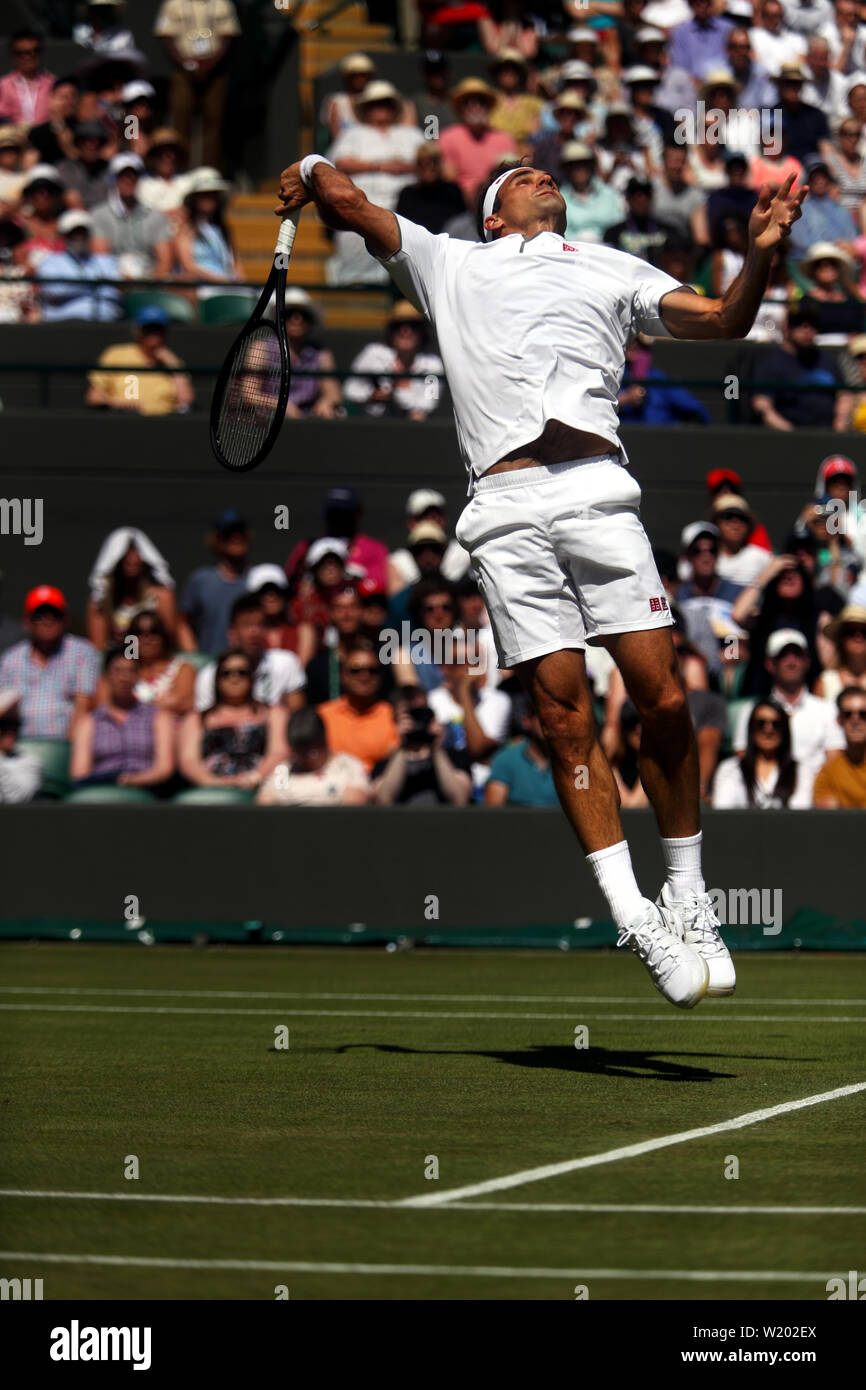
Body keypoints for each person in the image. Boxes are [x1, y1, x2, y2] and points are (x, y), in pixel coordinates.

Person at [277, 150, 808, 1009]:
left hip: (598, 490)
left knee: (664, 699)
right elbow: (349, 201)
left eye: (548, 173)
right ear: (491, 214)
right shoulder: (449, 260)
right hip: (503, 505)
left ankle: (688, 893)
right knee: (565, 719)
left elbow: (722, 322)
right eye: (521, 176)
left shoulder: (612, 265)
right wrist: (311, 165)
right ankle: (633, 914)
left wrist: (762, 254)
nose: (542, 175)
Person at [325, 80, 424, 285]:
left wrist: (406, 167)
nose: (381, 108)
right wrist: (381, 166)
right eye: (375, 104)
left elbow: (429, 162)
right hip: (364, 206)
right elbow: (341, 163)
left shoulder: (412, 134)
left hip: (406, 209)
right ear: (366, 108)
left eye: (386, 103)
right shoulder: (353, 134)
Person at [732, 627, 846, 792]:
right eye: (783, 655)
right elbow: (744, 760)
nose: (791, 661)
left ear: (807, 661)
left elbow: (835, 763)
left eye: (797, 655)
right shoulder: (751, 711)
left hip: (813, 800)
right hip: (763, 798)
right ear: (770, 664)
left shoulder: (827, 710)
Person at [179, 649, 287, 792]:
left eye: (242, 672)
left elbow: (279, 753)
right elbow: (189, 761)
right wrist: (212, 783)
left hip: (261, 787)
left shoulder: (274, 713)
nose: (234, 678)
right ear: (217, 679)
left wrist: (255, 778)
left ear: (252, 677)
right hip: (211, 790)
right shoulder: (196, 718)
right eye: (226, 673)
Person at [0, 585, 100, 738]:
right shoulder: (10, 659)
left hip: (66, 746)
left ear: (65, 618)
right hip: (20, 748)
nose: (48, 620)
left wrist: (65, 752)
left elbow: (84, 706)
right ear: (27, 621)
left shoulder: (82, 652)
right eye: (39, 615)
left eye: (55, 614)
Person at [70, 646, 175, 789]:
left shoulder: (157, 716)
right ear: (107, 676)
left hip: (147, 790)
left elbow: (164, 768)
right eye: (118, 671)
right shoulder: (90, 722)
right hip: (103, 789)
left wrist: (131, 781)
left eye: (130, 671)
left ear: (138, 676)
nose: (124, 677)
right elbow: (80, 773)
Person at [154, 0, 240, 170]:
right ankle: (180, 171)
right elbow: (166, 36)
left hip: (215, 69)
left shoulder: (223, 4)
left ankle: (209, 171)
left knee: (213, 122)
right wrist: (186, 63)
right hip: (182, 69)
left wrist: (209, 65)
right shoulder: (173, 4)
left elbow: (228, 36)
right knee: (180, 118)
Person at [194, 593, 306, 713]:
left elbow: (298, 717)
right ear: (232, 633)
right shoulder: (208, 676)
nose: (255, 632)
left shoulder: (286, 663)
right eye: (247, 625)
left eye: (261, 624)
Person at [750, 302, 845, 430]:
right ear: (787, 328)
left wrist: (840, 421)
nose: (807, 329)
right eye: (799, 323)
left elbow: (844, 395)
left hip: (828, 434)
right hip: (787, 437)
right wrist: (790, 432)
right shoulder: (771, 363)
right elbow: (762, 404)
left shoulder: (827, 360)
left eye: (812, 324)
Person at [344, 299, 444, 419]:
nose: (405, 331)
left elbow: (429, 403)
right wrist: (371, 395)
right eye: (398, 326)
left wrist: (398, 393)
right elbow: (349, 388)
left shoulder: (433, 365)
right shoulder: (373, 354)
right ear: (391, 331)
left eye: (413, 326)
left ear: (422, 332)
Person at [372, 685, 471, 804]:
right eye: (411, 715)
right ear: (396, 720)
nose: (416, 721)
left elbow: (459, 799)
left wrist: (436, 748)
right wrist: (403, 746)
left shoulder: (454, 757)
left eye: (421, 713)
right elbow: (384, 800)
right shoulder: (386, 763)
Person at [86, 305, 194, 414]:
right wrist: (118, 404)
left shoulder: (173, 361)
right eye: (148, 330)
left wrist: (174, 367)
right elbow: (94, 397)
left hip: (162, 424)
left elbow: (185, 402)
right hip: (123, 420)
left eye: (158, 330)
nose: (153, 335)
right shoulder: (115, 354)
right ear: (137, 331)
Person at [257, 706, 369, 806]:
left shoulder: (349, 768)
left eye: (312, 752)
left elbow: (354, 806)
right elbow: (265, 803)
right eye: (300, 753)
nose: (307, 758)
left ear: (324, 741)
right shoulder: (284, 771)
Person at [712, 699, 813, 807]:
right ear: (752, 729)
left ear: (784, 730)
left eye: (776, 724)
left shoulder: (801, 772)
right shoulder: (731, 769)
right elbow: (723, 810)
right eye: (761, 723)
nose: (768, 729)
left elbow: (801, 810)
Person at [318, 639, 399, 772]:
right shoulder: (322, 715)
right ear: (343, 676)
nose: (365, 676)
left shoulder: (393, 715)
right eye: (356, 670)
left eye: (372, 670)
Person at [90, 152, 173, 279]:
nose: (128, 179)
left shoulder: (156, 216)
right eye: (122, 175)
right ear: (114, 179)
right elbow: (101, 261)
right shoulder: (99, 215)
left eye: (133, 175)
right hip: (113, 283)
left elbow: (165, 262)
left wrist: (148, 285)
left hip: (149, 284)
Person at [675, 521, 743, 676]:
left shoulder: (736, 593)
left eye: (712, 550)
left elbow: (738, 638)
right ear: (687, 556)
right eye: (697, 551)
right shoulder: (678, 595)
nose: (706, 557)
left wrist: (730, 655)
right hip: (688, 669)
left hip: (728, 670)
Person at [180, 510, 252, 655]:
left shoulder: (258, 578)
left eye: (240, 533)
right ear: (217, 540)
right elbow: (182, 623)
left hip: (251, 665)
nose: (236, 538)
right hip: (210, 664)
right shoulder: (201, 580)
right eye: (228, 534)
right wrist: (194, 657)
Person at [437, 78, 518, 206]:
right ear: (461, 108)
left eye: (480, 102)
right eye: (468, 102)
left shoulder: (504, 139)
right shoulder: (447, 137)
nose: (475, 106)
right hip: (459, 204)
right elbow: (448, 178)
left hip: (497, 202)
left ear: (487, 106)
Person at [36, 209, 122, 321]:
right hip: (63, 324)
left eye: (82, 233)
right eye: (73, 233)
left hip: (102, 323)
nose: (79, 237)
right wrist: (96, 283)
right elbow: (55, 291)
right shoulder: (50, 261)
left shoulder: (105, 261)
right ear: (65, 236)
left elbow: (114, 292)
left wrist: (72, 289)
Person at [174, 165, 244, 298]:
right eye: (204, 195)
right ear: (195, 199)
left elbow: (235, 262)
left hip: (228, 285)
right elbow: (188, 265)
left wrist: (239, 279)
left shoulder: (223, 229)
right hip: (203, 288)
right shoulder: (187, 229)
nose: (209, 198)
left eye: (213, 194)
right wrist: (219, 280)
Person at [618, 335, 712, 424]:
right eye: (629, 339)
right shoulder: (615, 376)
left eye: (637, 341)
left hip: (658, 437)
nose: (632, 344)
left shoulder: (657, 378)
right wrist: (627, 398)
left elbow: (697, 409)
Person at [484, 694, 558, 806]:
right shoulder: (505, 760)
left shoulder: (577, 764)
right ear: (527, 721)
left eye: (559, 718)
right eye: (545, 716)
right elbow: (492, 815)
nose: (552, 722)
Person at [798, 241, 865, 342]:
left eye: (832, 264)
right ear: (813, 270)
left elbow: (859, 327)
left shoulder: (851, 301)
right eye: (821, 265)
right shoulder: (806, 302)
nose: (827, 267)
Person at [560, 143, 625, 244]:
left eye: (584, 163)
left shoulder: (610, 194)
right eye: (573, 165)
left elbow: (619, 224)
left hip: (608, 249)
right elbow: (560, 232)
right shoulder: (560, 198)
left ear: (592, 165)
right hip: (572, 252)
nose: (580, 169)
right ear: (566, 169)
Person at [395, 142, 465, 235]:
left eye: (433, 161)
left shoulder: (453, 192)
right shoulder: (407, 195)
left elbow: (462, 224)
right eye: (422, 162)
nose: (428, 166)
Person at [812, 685, 866, 805]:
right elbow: (833, 819)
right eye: (848, 714)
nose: (855, 720)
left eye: (863, 714)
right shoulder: (827, 775)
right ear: (839, 720)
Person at [488, 49, 544, 153]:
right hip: (493, 154)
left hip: (523, 157)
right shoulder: (488, 99)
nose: (509, 73)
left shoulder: (533, 103)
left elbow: (535, 136)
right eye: (504, 68)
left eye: (514, 69)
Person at [712, 493, 771, 586]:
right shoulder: (703, 556)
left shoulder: (762, 558)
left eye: (741, 518)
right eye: (728, 517)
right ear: (716, 523)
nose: (735, 524)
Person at [0, 30, 54, 129]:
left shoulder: (52, 84)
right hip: (12, 137)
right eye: (21, 53)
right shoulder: (3, 85)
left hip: (44, 137)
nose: (28, 56)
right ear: (13, 55)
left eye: (34, 51)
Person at [25, 74, 80, 167]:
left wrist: (58, 124)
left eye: (72, 96)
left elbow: (73, 155)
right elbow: (29, 166)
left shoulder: (82, 128)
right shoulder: (37, 133)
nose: (68, 102)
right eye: (63, 97)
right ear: (51, 99)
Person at [815, 603, 866, 701]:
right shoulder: (825, 682)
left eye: (864, 632)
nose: (858, 637)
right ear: (840, 638)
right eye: (851, 631)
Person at [57, 119, 110, 209]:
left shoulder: (110, 169)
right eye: (85, 141)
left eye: (95, 142)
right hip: (76, 219)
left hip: (105, 218)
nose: (90, 146)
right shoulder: (65, 169)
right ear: (77, 143)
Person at [0, 692, 42, 803]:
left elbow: (17, 799)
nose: (10, 732)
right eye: (3, 725)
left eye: (15, 725)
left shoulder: (29, 761)